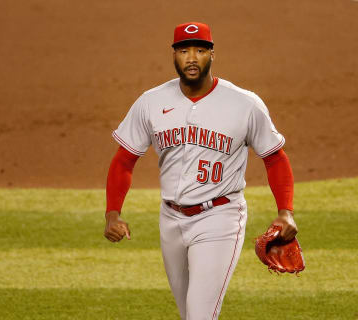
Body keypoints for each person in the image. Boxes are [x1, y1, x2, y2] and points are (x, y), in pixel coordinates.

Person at [103, 22, 298, 319]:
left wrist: (286, 211)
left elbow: (275, 158)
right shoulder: (151, 102)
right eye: (184, 50)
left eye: (200, 50)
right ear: (174, 55)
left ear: (212, 55)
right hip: (170, 218)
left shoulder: (244, 104)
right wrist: (112, 213)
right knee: (188, 313)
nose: (191, 58)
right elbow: (124, 160)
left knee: (199, 315)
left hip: (220, 218)